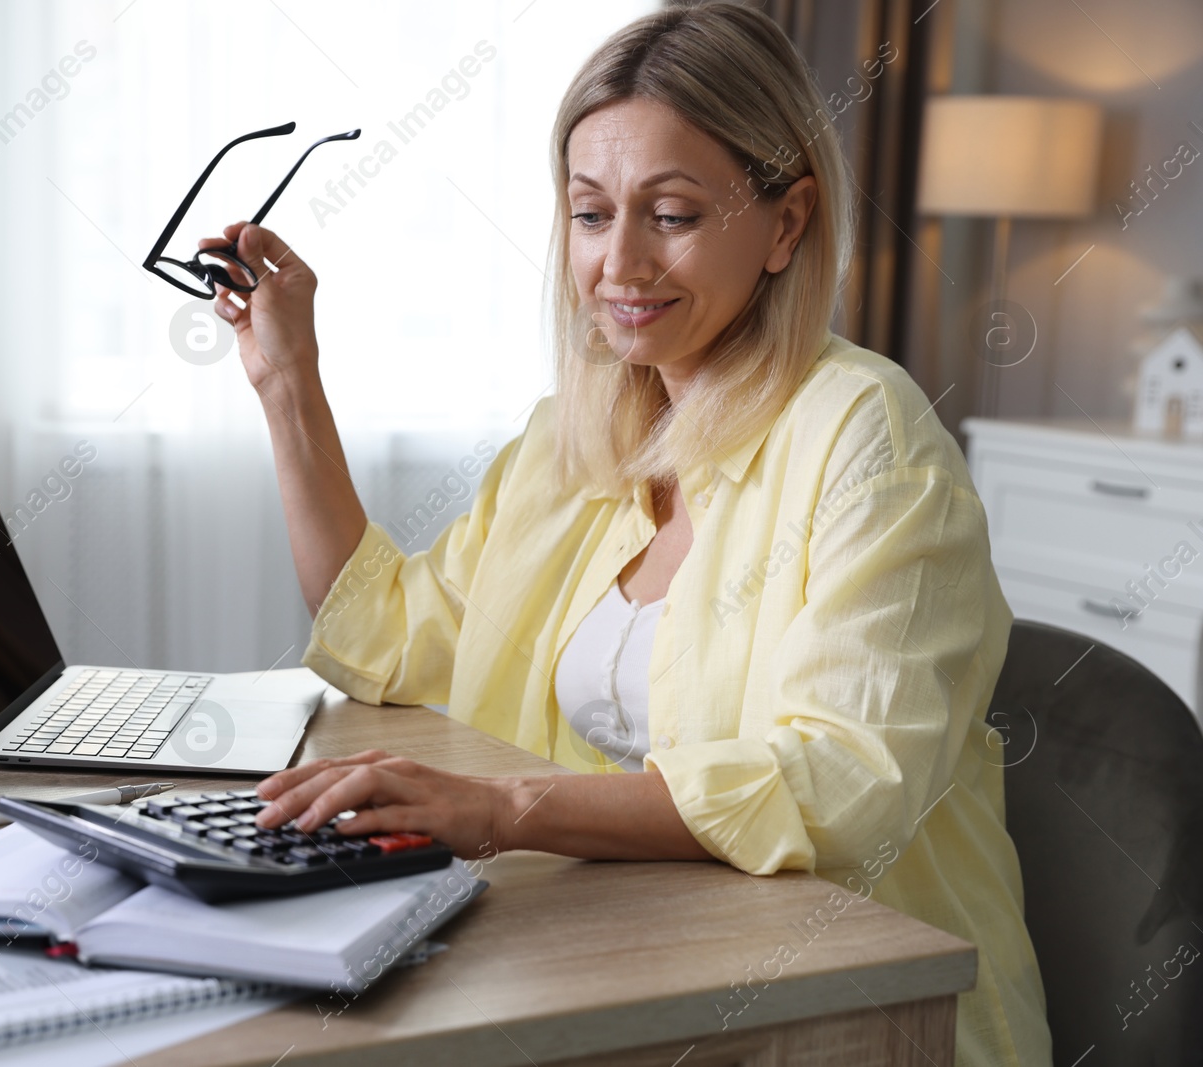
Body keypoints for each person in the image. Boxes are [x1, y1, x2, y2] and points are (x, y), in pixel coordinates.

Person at [198, 4, 1048, 1063]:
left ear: (787, 224)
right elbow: (391, 639)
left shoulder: (866, 436)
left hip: (848, 1003)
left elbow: (841, 782)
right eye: (591, 215)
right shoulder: (577, 431)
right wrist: (288, 379)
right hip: (633, 949)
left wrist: (505, 808)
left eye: (674, 214)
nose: (619, 263)